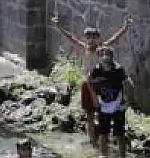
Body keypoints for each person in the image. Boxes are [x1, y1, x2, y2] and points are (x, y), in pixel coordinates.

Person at [50, 15, 131, 146]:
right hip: (87, 85)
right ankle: (92, 140)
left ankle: (106, 139)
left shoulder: (102, 49)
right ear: (86, 38)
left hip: (100, 85)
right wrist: (58, 26)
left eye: (93, 37)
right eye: (88, 37)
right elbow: (70, 38)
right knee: (89, 114)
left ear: (98, 38)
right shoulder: (84, 48)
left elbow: (116, 38)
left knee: (103, 113)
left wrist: (125, 26)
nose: (91, 40)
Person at [89, 46, 133, 158]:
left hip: (118, 103)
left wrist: (126, 98)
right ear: (99, 57)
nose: (105, 57)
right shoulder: (96, 70)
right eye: (103, 55)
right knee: (103, 131)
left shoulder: (118, 69)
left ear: (112, 57)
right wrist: (94, 98)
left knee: (119, 132)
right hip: (104, 103)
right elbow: (89, 81)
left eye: (108, 55)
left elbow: (127, 82)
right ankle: (104, 155)